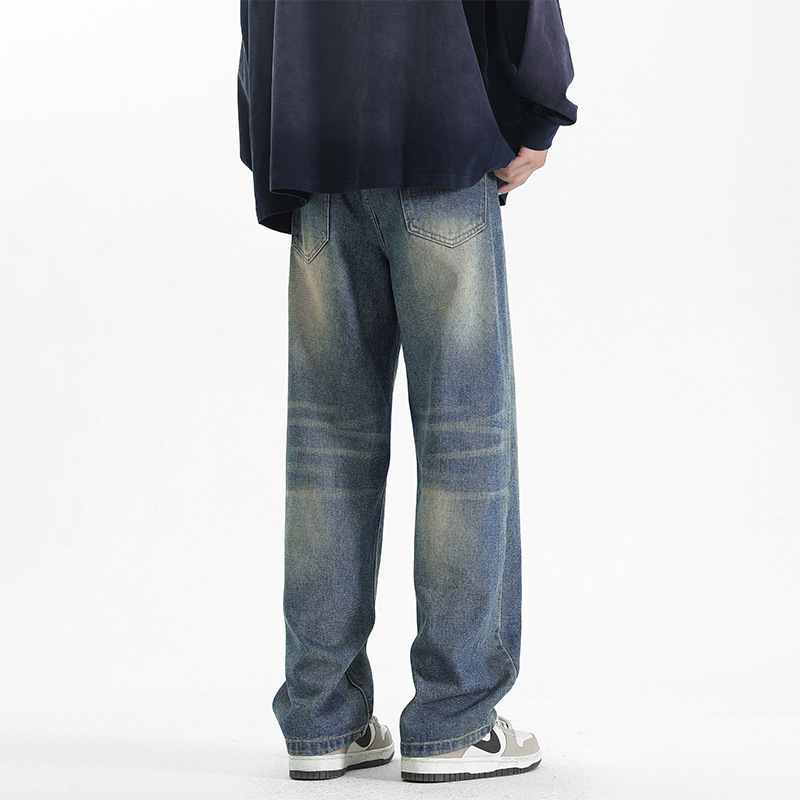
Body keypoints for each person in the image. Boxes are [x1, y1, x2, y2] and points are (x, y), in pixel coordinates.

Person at [237, 0, 578, 783]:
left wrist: (274, 147)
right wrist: (539, 112)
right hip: (439, 140)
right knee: (465, 441)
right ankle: (456, 720)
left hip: (315, 154)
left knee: (327, 446)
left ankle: (322, 719)